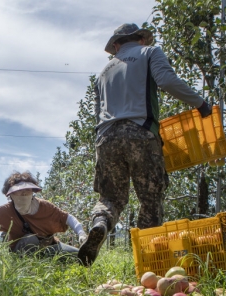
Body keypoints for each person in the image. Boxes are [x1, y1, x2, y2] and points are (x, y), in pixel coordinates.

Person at [77, 23, 213, 266]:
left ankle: (100, 223)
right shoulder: (150, 52)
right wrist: (200, 104)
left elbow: (98, 114)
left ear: (116, 45)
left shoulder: (103, 72)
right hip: (140, 132)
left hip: (106, 138)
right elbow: (167, 80)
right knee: (150, 199)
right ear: (140, 39)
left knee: (110, 197)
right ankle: (149, 261)